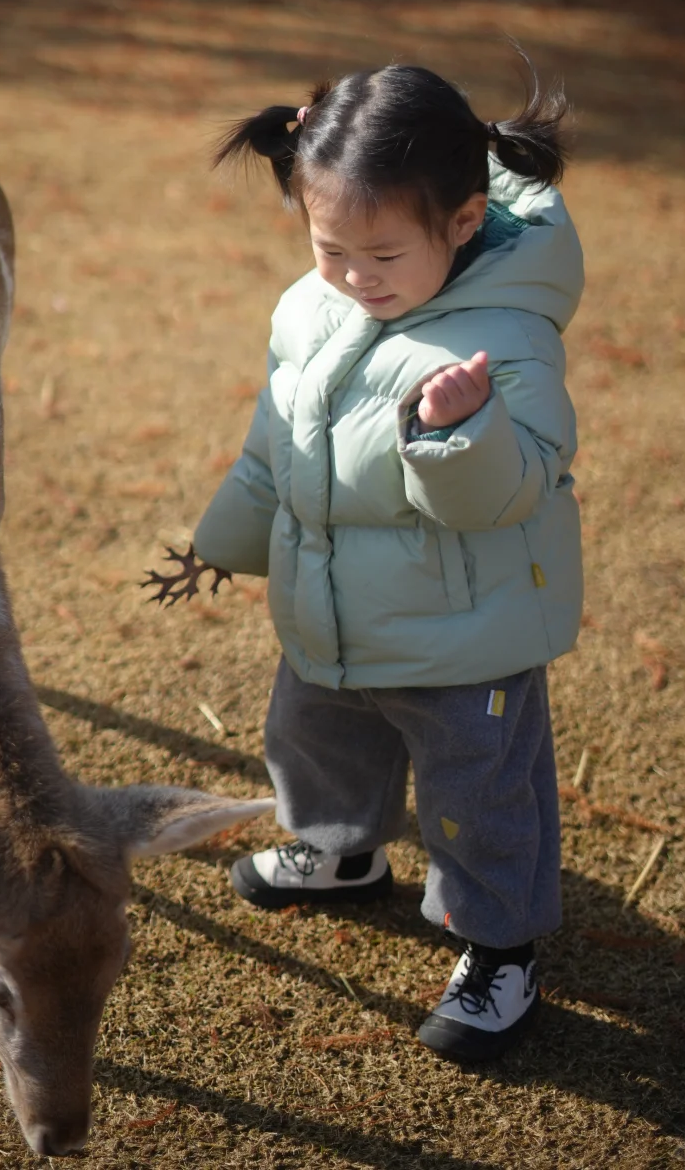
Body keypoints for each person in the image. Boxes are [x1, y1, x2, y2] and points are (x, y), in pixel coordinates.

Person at [146, 64, 583, 1064]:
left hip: (467, 639)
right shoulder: (312, 310)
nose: (353, 275)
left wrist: (461, 434)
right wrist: (221, 545)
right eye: (330, 247)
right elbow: (276, 449)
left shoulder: (505, 340)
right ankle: (340, 851)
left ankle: (500, 947)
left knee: (481, 798)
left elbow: (513, 492)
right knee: (315, 738)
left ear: (466, 221)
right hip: (333, 613)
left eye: (382, 252)